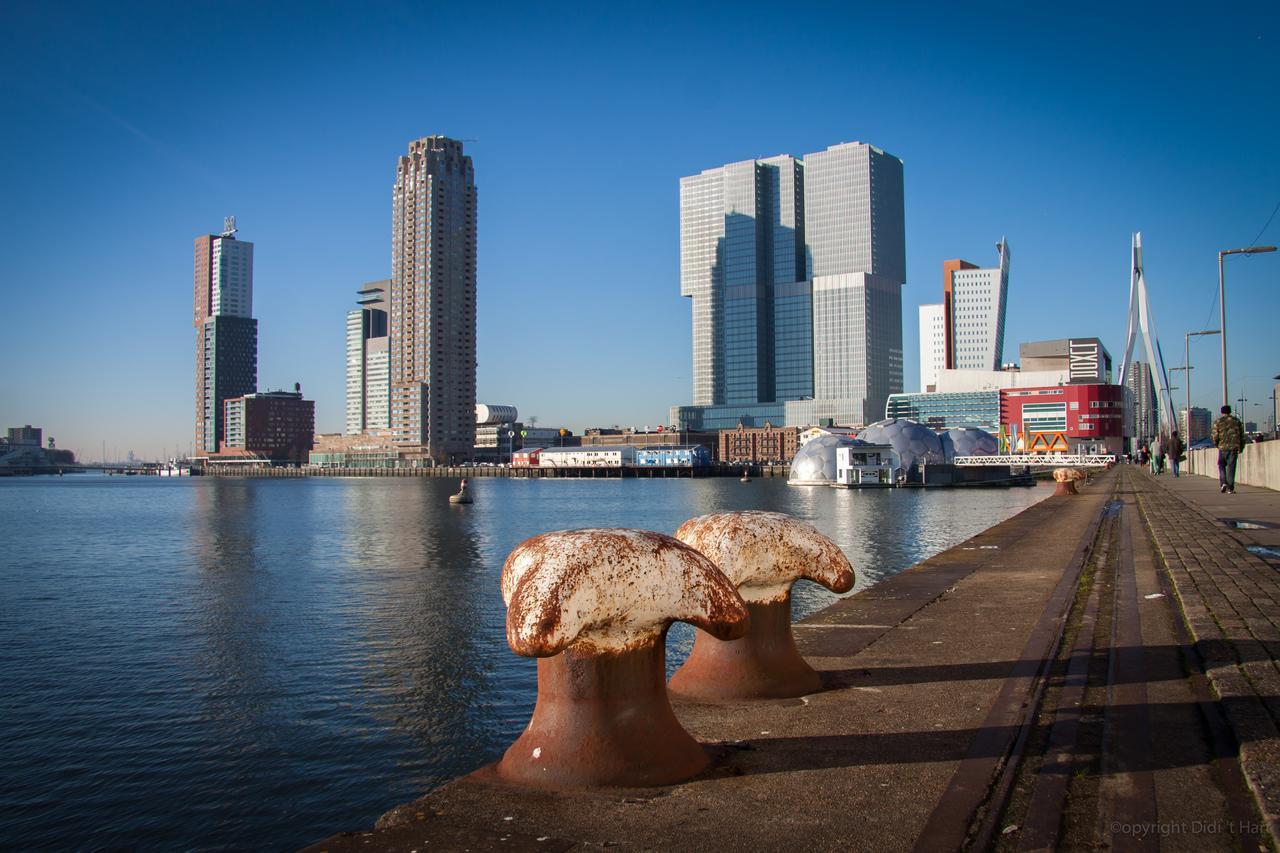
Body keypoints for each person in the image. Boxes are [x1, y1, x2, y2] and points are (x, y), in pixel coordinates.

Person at [1211, 404, 1245, 494]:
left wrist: (1217, 445)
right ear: (1230, 411)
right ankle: (1230, 488)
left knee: (1221, 465)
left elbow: (1215, 435)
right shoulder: (1237, 421)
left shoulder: (1218, 422)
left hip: (1222, 448)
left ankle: (1223, 483)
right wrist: (1241, 447)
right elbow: (1242, 436)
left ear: (1222, 412)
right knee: (1231, 468)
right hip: (1234, 448)